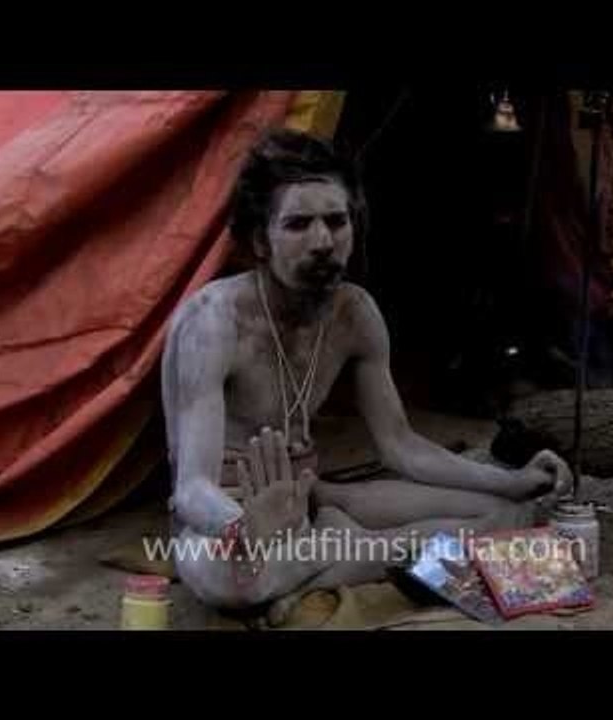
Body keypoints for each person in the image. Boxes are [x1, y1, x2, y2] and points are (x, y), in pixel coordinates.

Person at [161, 128, 573, 614]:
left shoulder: (355, 314)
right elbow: (191, 489)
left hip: (314, 500)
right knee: (236, 586)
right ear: (260, 241)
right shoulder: (214, 322)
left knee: (508, 512)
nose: (322, 241)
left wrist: (515, 479)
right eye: (297, 225)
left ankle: (337, 550)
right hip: (224, 521)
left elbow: (401, 446)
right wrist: (243, 527)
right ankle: (366, 551)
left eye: (336, 221)